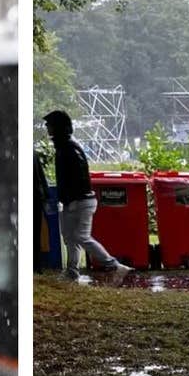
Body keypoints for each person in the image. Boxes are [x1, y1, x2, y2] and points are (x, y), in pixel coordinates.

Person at [44, 110, 127, 277]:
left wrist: (69, 198)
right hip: (77, 200)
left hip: (79, 201)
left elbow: (75, 176)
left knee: (81, 237)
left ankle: (115, 266)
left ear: (58, 127)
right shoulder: (66, 146)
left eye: (50, 124)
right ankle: (72, 272)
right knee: (70, 238)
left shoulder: (67, 147)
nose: (47, 127)